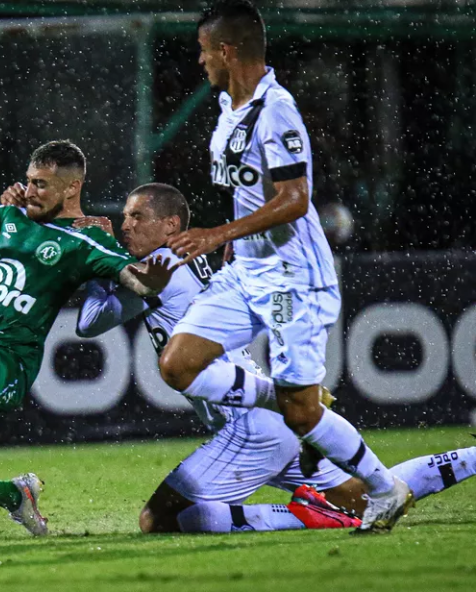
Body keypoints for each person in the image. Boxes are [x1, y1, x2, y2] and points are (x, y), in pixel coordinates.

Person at [75, 183, 476, 534]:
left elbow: (90, 322)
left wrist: (92, 261)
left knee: (159, 519)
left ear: (171, 226)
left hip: (251, 425)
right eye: (126, 216)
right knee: (360, 497)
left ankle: (302, 516)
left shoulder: (160, 268)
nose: (125, 224)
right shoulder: (192, 261)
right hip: (272, 420)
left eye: (137, 216)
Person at [156, 0, 413, 533]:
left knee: (301, 416)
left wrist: (216, 234)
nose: (200, 62)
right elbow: (250, 194)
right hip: (247, 270)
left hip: (292, 279)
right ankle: (281, 392)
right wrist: (235, 240)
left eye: (204, 52)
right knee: (177, 364)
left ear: (227, 51)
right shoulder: (231, 108)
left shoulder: (276, 110)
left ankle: (387, 489)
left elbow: (295, 198)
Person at [0, 140, 174, 544]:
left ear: (72, 188)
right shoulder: (9, 216)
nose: (30, 190)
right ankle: (13, 494)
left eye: (41, 184)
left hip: (7, 362)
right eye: (28, 181)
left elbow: (132, 277)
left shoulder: (85, 239)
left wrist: (151, 280)